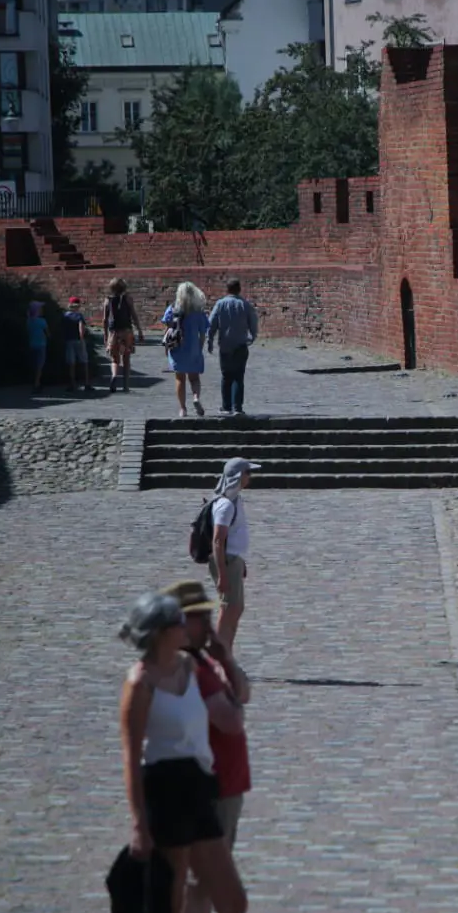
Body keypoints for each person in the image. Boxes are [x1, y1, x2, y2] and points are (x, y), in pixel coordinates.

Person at [118, 592, 287, 913]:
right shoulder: (141, 683)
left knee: (232, 901)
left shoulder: (191, 670)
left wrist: (221, 657)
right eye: (179, 622)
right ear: (160, 633)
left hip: (200, 788)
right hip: (165, 793)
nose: (189, 626)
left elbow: (235, 702)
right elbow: (131, 758)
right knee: (165, 909)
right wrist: (139, 822)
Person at [157, 581, 254, 913]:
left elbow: (244, 692)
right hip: (209, 785)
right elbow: (232, 718)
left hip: (226, 783)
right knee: (204, 889)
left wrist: (224, 655)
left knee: (205, 888)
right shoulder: (189, 670)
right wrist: (224, 677)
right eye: (195, 616)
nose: (203, 622)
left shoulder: (202, 661)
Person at [209, 458, 258, 651]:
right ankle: (217, 655)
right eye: (248, 473)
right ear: (238, 476)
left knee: (235, 608)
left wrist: (240, 561)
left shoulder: (236, 500)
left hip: (233, 560)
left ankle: (225, 652)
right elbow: (218, 540)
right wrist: (222, 574)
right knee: (228, 607)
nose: (250, 477)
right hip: (226, 561)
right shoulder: (225, 505)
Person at [206, 278, 258, 416]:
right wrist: (253, 335)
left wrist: (209, 340)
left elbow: (212, 323)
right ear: (239, 289)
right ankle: (237, 407)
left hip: (225, 345)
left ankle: (226, 406)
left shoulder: (220, 304)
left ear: (227, 289)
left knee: (226, 376)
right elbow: (253, 321)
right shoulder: (245, 305)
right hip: (241, 345)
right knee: (238, 377)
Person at [161, 282, 210, 418]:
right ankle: (195, 397)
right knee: (194, 378)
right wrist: (199, 348)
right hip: (193, 347)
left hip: (177, 347)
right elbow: (202, 334)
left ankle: (182, 409)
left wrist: (166, 346)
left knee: (179, 378)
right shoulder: (198, 313)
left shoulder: (172, 309)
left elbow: (168, 328)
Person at [103, 278, 139, 393]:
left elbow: (105, 319)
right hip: (126, 331)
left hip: (113, 331)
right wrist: (140, 330)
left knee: (114, 359)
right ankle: (126, 386)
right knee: (126, 358)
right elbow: (133, 315)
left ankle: (114, 376)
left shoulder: (107, 300)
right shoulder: (127, 299)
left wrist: (105, 334)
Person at [62, 296, 93, 393]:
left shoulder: (65, 316)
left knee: (71, 363)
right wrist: (82, 338)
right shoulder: (79, 316)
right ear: (78, 306)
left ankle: (72, 384)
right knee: (84, 361)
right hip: (78, 340)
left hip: (69, 340)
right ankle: (87, 383)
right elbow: (81, 329)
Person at [26, 301, 49, 392]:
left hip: (31, 344)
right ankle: (37, 383)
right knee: (40, 365)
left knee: (33, 364)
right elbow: (47, 333)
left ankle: (33, 382)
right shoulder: (42, 321)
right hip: (41, 344)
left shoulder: (29, 321)